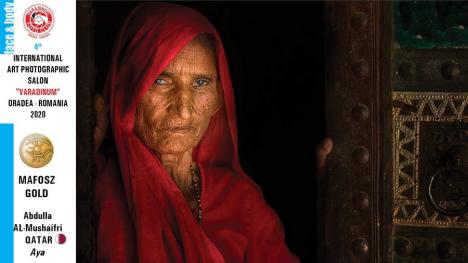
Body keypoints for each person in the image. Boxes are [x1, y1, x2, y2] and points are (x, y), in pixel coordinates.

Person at [93, 3, 332, 262]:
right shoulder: (89, 184)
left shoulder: (240, 201)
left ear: (219, 96)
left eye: (201, 83)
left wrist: (332, 207)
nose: (184, 110)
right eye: (161, 81)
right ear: (126, 86)